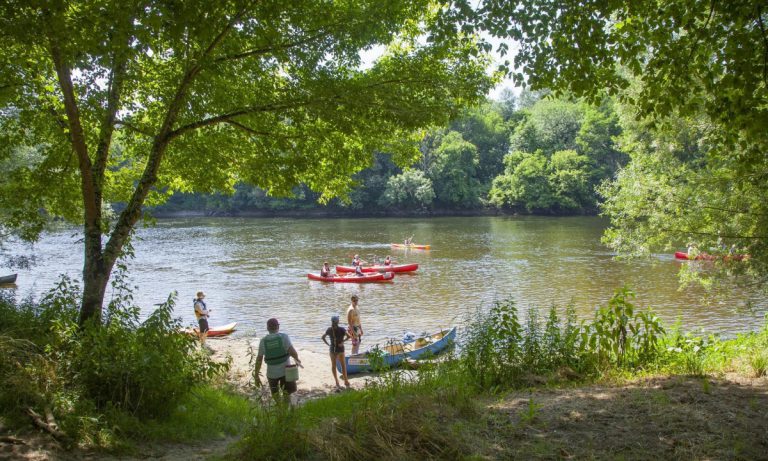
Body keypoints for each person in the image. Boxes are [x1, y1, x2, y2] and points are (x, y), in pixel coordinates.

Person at [254, 318, 302, 402]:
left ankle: (279, 408)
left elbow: (259, 359)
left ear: (268, 328)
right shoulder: (284, 337)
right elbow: (293, 352)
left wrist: (256, 374)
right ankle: (287, 408)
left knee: (275, 394)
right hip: (286, 372)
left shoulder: (263, 341)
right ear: (278, 327)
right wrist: (297, 359)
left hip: (271, 374)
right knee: (290, 393)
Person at [322, 315, 351, 390]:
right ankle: (346, 381)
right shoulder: (342, 329)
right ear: (338, 321)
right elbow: (349, 336)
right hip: (340, 350)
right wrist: (342, 342)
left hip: (332, 350)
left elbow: (323, 337)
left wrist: (328, 344)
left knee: (333, 366)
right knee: (343, 365)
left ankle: (337, 382)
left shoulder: (329, 329)